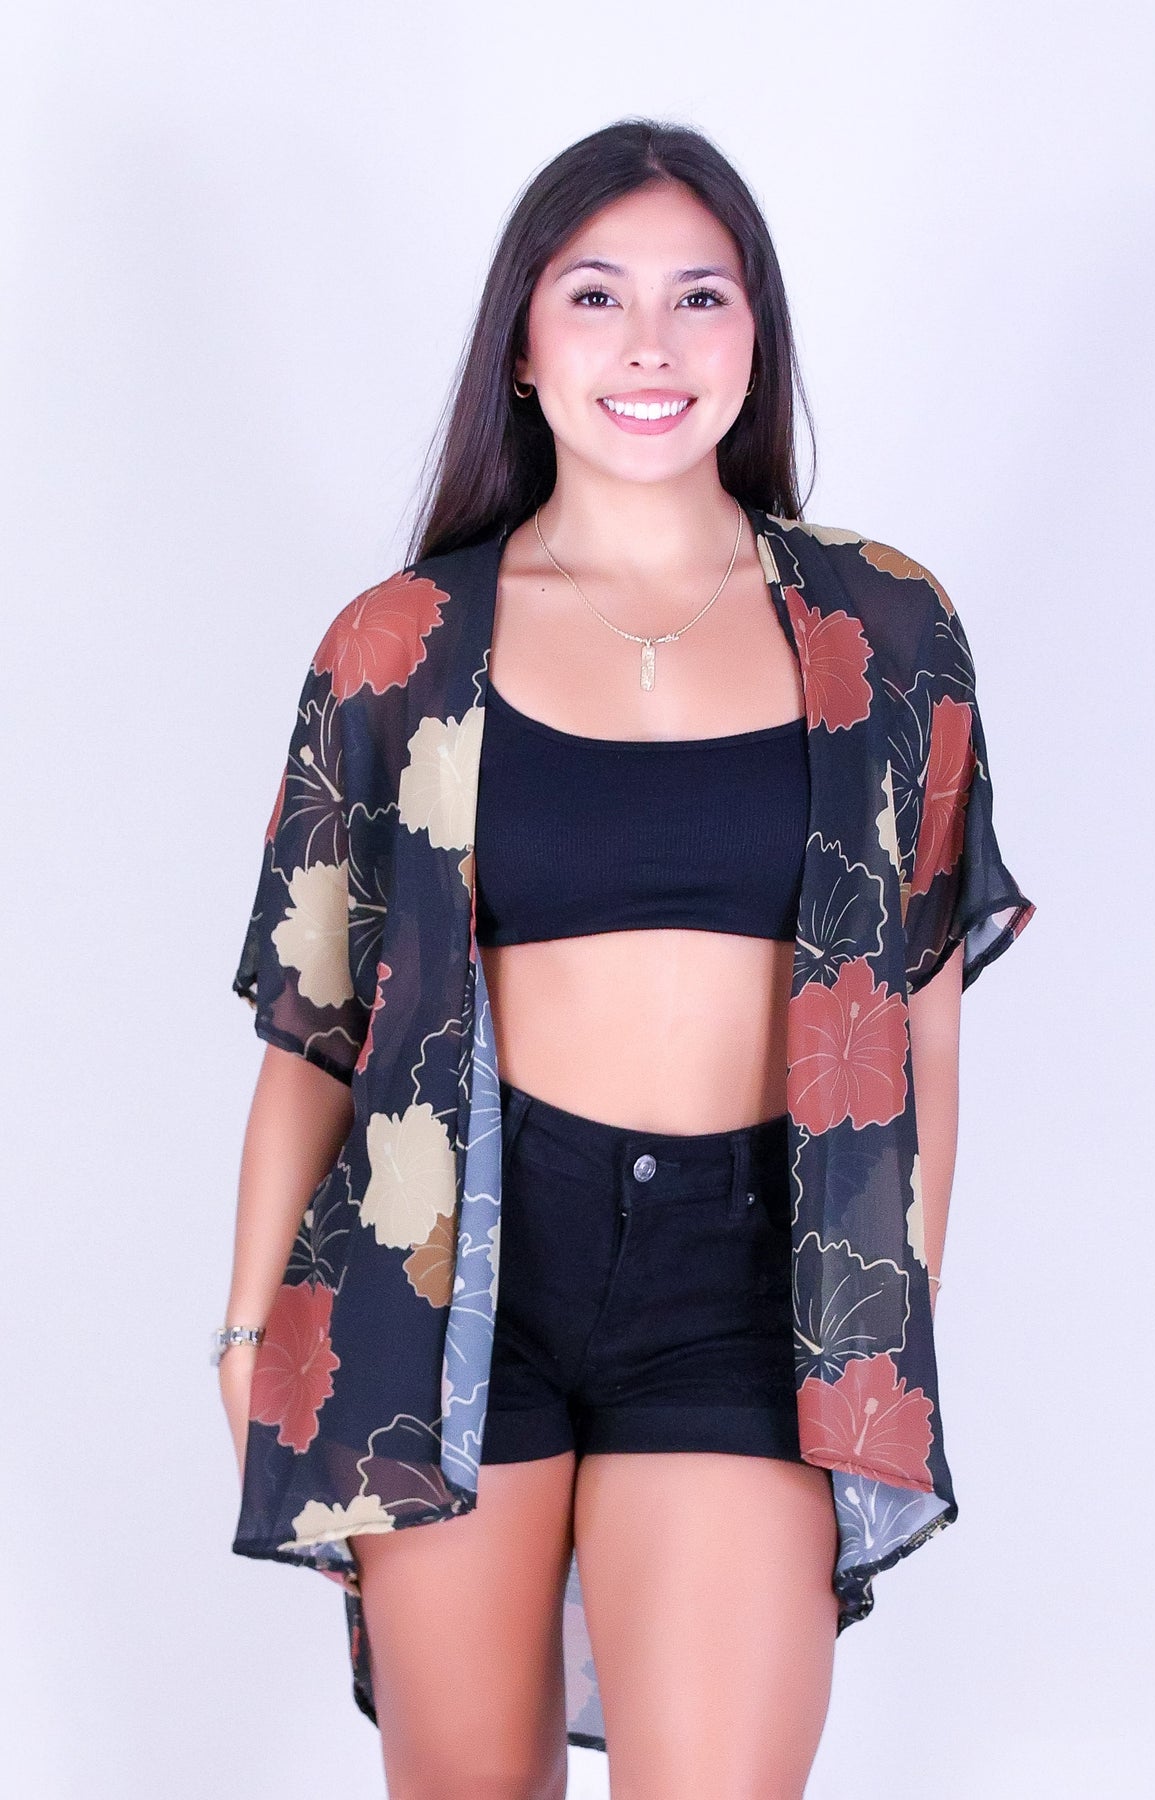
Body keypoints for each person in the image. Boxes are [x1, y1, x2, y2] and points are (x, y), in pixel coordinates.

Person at [217, 119, 1035, 1800]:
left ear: (756, 339)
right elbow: (315, 1036)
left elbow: (927, 1015)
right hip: (449, 1278)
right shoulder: (399, 646)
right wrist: (245, 1340)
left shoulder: (885, 630)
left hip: (751, 1284)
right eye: (595, 296)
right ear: (523, 346)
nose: (649, 345)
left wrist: (895, 1306)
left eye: (698, 297)